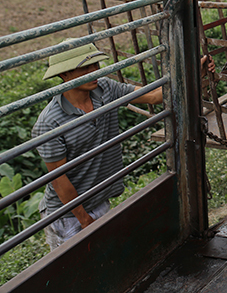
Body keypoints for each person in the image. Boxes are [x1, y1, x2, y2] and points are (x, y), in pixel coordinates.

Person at [32, 40, 213, 249]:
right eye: (85, 68)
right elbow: (58, 179)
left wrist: (194, 74)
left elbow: (154, 96)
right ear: (64, 75)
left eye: (96, 65)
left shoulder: (106, 89)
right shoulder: (50, 122)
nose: (94, 72)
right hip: (68, 214)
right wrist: (84, 220)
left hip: (98, 198)